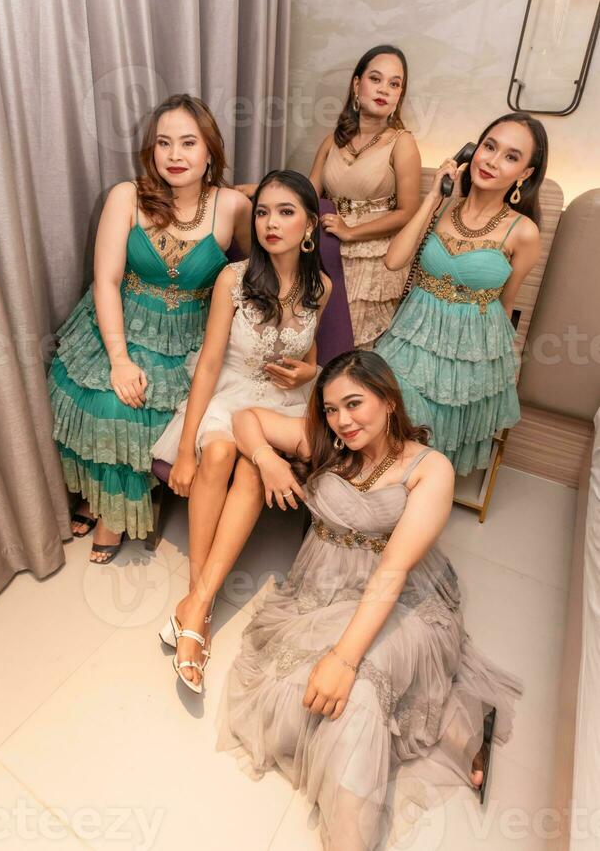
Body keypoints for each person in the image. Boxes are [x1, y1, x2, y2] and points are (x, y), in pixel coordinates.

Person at [218, 350, 521, 850]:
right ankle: (453, 720)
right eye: (332, 408)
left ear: (387, 399)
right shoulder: (325, 442)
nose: (342, 420)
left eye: (354, 403)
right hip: (320, 592)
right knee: (301, 703)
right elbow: (244, 417)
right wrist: (267, 460)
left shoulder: (431, 469)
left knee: (353, 696)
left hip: (403, 597)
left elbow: (394, 570)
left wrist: (343, 658)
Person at [48, 94, 251, 562]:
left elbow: (251, 267)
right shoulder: (127, 195)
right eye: (163, 143)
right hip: (121, 324)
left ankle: (113, 514)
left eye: (187, 143)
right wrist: (119, 359)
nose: (175, 156)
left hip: (187, 340)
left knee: (146, 413)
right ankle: (101, 498)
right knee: (102, 397)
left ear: (209, 152)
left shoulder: (234, 206)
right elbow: (107, 280)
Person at [153, 170, 332, 691]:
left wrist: (313, 372)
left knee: (253, 473)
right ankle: (200, 604)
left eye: (285, 212)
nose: (271, 222)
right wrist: (184, 449)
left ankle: (194, 609)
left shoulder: (319, 286)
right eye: (263, 211)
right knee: (216, 456)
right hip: (227, 391)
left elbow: (311, 357)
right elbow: (209, 364)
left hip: (280, 402)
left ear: (309, 226)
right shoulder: (233, 279)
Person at [375, 112, 546, 476]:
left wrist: (494, 368)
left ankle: (416, 499)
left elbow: (506, 302)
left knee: (433, 442)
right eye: (489, 146)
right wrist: (434, 196)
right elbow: (394, 260)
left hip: (471, 349)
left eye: (511, 157)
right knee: (389, 414)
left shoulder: (524, 232)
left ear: (525, 174)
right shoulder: (442, 207)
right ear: (474, 151)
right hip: (414, 335)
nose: (492, 161)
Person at [309, 44, 421, 349]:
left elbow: (408, 211)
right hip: (328, 245)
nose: (384, 89)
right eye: (376, 79)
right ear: (357, 85)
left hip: (373, 255)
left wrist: (352, 232)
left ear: (400, 95)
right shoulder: (332, 140)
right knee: (317, 340)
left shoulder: (402, 142)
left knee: (351, 346)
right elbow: (307, 194)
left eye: (394, 83)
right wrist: (260, 190)